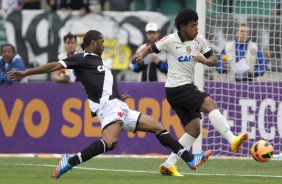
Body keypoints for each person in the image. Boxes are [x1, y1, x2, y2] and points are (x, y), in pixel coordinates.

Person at [7, 30, 212, 179]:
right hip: (108, 106)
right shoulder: (82, 57)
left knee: (158, 126)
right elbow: (54, 65)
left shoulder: (97, 61)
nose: (104, 45)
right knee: (110, 141)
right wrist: (26, 73)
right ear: (92, 42)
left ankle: (189, 159)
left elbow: (99, 85)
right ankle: (69, 161)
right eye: (101, 41)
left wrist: (117, 97)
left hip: (116, 104)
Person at [133, 8, 248, 176]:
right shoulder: (170, 40)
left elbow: (214, 60)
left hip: (182, 88)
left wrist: (204, 60)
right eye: (193, 26)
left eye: (197, 25)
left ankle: (168, 164)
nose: (196, 29)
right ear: (182, 27)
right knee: (211, 104)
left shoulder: (199, 40)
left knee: (193, 130)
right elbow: (151, 47)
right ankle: (232, 139)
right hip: (176, 88)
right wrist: (140, 54)